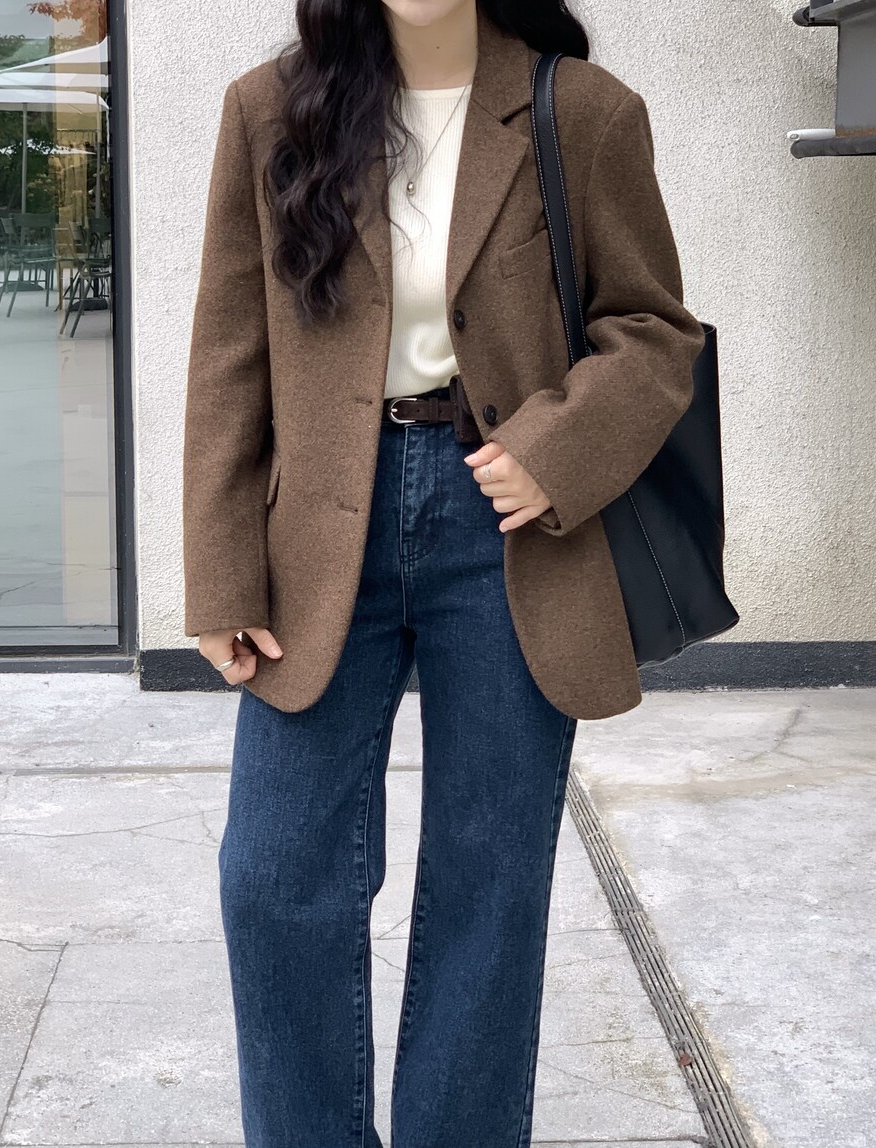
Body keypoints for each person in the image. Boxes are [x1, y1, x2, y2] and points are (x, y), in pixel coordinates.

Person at [181, 1, 706, 1145]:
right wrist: (220, 571)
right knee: (272, 877)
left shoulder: (582, 112)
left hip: (507, 528)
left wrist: (555, 447)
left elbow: (653, 329)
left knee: (488, 884)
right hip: (319, 527)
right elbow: (229, 350)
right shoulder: (269, 110)